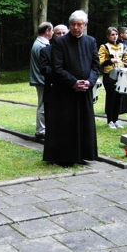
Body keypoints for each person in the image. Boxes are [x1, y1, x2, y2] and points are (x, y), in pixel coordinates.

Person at [43, 10, 99, 166]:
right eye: (73, 24)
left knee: (83, 123)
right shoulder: (60, 43)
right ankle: (64, 157)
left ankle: (83, 154)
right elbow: (57, 67)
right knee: (66, 124)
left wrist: (90, 81)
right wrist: (73, 82)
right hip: (65, 91)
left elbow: (95, 66)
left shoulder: (91, 41)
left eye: (79, 25)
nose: (75, 27)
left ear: (85, 26)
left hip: (85, 90)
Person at [99, 27, 127, 129]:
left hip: (120, 74)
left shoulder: (122, 46)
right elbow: (100, 61)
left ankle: (116, 119)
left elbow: (125, 58)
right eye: (112, 34)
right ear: (108, 36)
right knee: (111, 98)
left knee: (118, 98)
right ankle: (110, 120)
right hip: (109, 75)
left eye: (116, 34)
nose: (115, 36)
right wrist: (111, 61)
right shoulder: (104, 47)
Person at [30, 22, 53, 140]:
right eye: (52, 31)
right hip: (41, 79)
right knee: (43, 105)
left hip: (40, 79)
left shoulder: (38, 43)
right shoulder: (40, 45)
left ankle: (42, 129)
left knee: (43, 104)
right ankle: (41, 130)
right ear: (47, 31)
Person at [39, 24, 68, 110]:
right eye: (58, 33)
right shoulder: (45, 51)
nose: (61, 35)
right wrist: (61, 73)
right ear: (53, 35)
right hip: (52, 90)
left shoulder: (75, 50)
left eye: (64, 33)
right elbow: (44, 69)